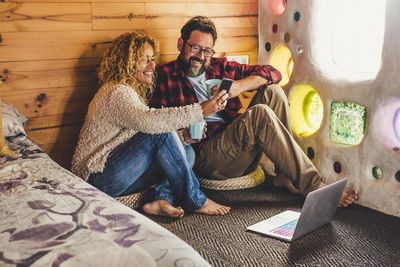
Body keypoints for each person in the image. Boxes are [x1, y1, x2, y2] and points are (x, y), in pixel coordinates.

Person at [149, 16, 358, 207]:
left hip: (234, 145)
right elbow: (157, 126)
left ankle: (284, 175)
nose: (201, 56)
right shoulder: (164, 77)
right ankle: (313, 185)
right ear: (180, 44)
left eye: (207, 51)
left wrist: (237, 86)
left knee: (273, 92)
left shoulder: (219, 68)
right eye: (195, 48)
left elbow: (273, 73)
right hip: (204, 154)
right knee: (260, 114)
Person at [71, 32, 231, 218]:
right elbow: (150, 124)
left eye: (152, 59)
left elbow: (138, 141)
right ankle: (196, 200)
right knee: (159, 131)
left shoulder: (130, 93)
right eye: (143, 59)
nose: (152, 65)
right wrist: (200, 110)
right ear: (126, 62)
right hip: (96, 177)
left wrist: (183, 138)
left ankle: (159, 200)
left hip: (119, 174)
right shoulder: (116, 91)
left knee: (186, 150)